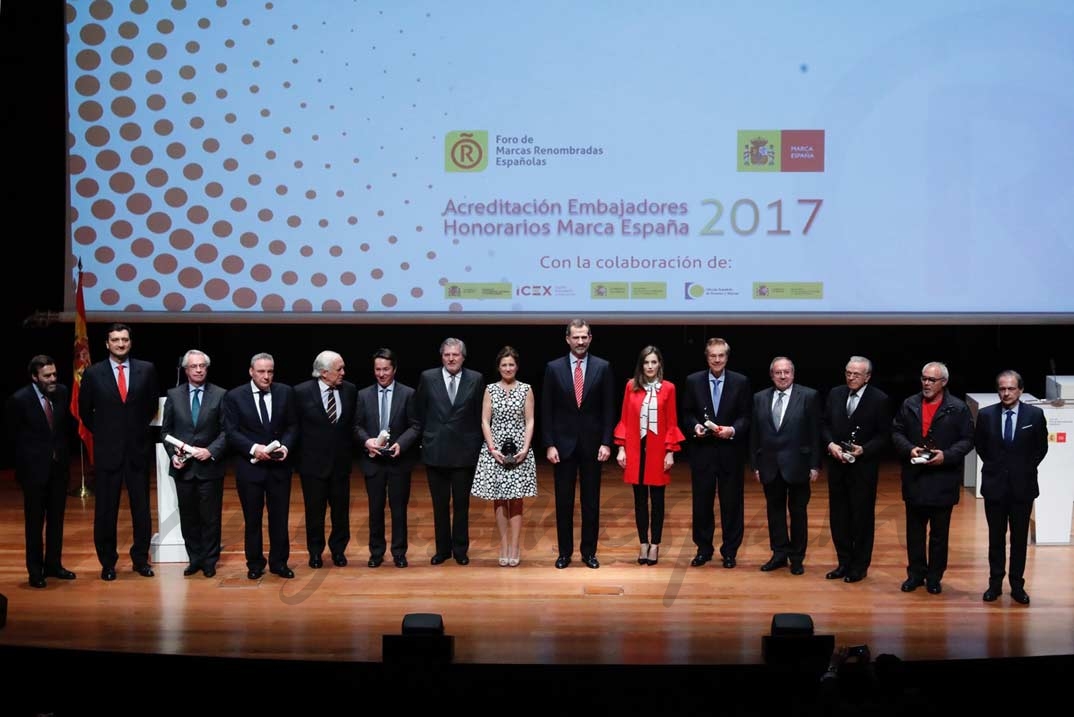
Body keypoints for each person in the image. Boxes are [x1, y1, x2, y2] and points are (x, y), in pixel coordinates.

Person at [78, 322, 160, 581]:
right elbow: (85, 412)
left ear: (130, 342)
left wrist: (133, 432)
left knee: (141, 509)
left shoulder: (146, 369)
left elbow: (151, 406)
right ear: (107, 344)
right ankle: (108, 563)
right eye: (115, 340)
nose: (121, 344)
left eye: (125, 339)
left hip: (137, 450)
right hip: (107, 452)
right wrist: (107, 434)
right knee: (105, 511)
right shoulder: (93, 373)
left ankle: (140, 559)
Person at [891, 361, 973, 595]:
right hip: (915, 477)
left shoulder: (957, 408)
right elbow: (896, 431)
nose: (926, 383)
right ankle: (915, 574)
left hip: (943, 480)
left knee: (939, 535)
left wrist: (946, 456)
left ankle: (934, 577)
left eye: (931, 380)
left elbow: (967, 440)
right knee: (914, 533)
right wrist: (909, 449)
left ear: (944, 382)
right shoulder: (910, 404)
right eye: (924, 378)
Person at [541, 319, 616, 569]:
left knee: (591, 503)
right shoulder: (553, 368)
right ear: (567, 339)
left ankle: (589, 553)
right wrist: (549, 443)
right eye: (576, 337)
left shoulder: (603, 367)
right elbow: (547, 410)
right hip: (562, 447)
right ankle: (564, 553)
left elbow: (608, 409)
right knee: (563, 503)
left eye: (584, 337)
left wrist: (607, 442)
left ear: (590, 338)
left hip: (593, 446)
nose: (581, 342)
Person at [974, 370, 1048, 605]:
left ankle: (1017, 585)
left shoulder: (1035, 415)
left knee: (1018, 539)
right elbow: (981, 447)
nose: (1005, 393)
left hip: (1022, 487)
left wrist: (1021, 468)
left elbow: (1040, 448)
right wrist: (999, 468)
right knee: (996, 539)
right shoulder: (986, 415)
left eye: (1011, 389)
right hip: (995, 486)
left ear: (1020, 390)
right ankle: (995, 584)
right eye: (1002, 389)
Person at [223, 352, 299, 580]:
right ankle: (255, 563)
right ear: (251, 372)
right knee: (252, 520)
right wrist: (253, 448)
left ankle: (279, 562)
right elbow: (231, 431)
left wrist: (285, 447)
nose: (266, 377)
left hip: (279, 468)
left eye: (270, 372)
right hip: (250, 468)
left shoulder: (285, 392)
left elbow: (293, 425)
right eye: (261, 372)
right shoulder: (234, 396)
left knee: (279, 518)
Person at [679, 337, 752, 569]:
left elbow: (747, 416)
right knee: (702, 504)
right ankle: (703, 549)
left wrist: (732, 430)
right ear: (707, 357)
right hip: (703, 453)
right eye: (713, 356)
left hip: (731, 452)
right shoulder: (693, 381)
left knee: (732, 504)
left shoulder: (741, 382)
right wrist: (695, 427)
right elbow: (687, 413)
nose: (717, 360)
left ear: (727, 358)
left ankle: (730, 551)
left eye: (721, 356)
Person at [4, 355, 75, 588]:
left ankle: (53, 565)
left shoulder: (62, 392)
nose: (53, 379)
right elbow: (12, 438)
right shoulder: (19, 400)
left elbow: (64, 429)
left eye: (54, 374)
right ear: (35, 377)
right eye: (47, 376)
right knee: (35, 523)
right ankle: (35, 571)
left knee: (56, 520)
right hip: (34, 472)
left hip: (59, 470)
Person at [820, 356, 890, 583]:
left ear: (867, 376)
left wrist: (865, 450)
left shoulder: (879, 399)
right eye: (848, 373)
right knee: (838, 517)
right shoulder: (835, 393)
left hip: (863, 470)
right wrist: (830, 445)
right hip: (837, 467)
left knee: (861, 518)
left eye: (856, 374)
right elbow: (825, 425)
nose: (851, 377)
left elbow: (885, 436)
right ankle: (843, 562)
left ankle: (859, 566)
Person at [414, 338, 484, 565]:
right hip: (436, 450)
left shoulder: (475, 378)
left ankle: (460, 549)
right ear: (441, 357)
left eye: (455, 355)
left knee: (462, 504)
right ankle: (442, 549)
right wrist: (428, 438)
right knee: (440, 504)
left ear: (463, 357)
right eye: (447, 355)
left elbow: (479, 416)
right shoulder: (428, 377)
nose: (451, 359)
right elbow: (420, 411)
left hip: (464, 451)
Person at [614, 346, 685, 566]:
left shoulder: (669, 388)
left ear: (660, 364)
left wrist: (670, 451)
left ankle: (655, 544)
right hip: (636, 449)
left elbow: (672, 422)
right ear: (641, 365)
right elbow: (625, 418)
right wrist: (622, 447)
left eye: (654, 362)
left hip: (657, 450)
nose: (650, 366)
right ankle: (643, 543)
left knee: (657, 500)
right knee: (639, 501)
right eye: (646, 363)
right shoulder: (630, 386)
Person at [750, 356, 821, 575]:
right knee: (775, 512)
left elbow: (815, 433)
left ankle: (797, 558)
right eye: (778, 372)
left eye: (786, 372)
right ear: (771, 375)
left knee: (798, 512)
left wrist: (815, 465)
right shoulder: (759, 398)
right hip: (770, 465)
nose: (782, 376)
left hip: (798, 464)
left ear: (793, 373)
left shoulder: (809, 396)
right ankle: (779, 554)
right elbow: (755, 434)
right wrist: (755, 464)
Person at [160, 349, 227, 578]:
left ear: (207, 369)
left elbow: (227, 431)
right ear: (186, 370)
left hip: (209, 468)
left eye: (202, 366)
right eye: (194, 366)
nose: (198, 370)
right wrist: (173, 455)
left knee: (210, 518)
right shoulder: (174, 394)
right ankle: (194, 559)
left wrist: (210, 451)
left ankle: (210, 561)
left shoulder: (220, 394)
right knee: (188, 517)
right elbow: (166, 431)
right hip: (184, 469)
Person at [355, 348, 422, 568]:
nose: (381, 374)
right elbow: (356, 426)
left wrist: (400, 444)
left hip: (398, 462)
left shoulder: (408, 393)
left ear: (394, 369)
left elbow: (415, 425)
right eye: (377, 369)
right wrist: (367, 442)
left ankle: (399, 552)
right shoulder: (363, 395)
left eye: (386, 369)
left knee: (398, 509)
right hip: (373, 461)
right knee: (375, 509)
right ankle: (376, 552)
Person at [472, 346, 537, 567]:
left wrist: (525, 448)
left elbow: (530, 421)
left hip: (520, 450)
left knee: (516, 499)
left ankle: (516, 545)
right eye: (504, 365)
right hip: (495, 450)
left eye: (511, 364)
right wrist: (492, 448)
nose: (508, 368)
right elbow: (484, 420)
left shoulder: (526, 389)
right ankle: (503, 544)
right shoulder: (490, 389)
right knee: (499, 498)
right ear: (498, 368)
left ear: (516, 366)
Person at [294, 350, 357, 569]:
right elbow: (295, 428)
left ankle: (338, 551)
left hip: (340, 466)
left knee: (340, 513)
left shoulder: (349, 390)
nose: (343, 373)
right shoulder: (301, 392)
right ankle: (315, 553)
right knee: (315, 513)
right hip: (312, 467)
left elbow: (351, 426)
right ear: (323, 373)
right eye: (339, 369)